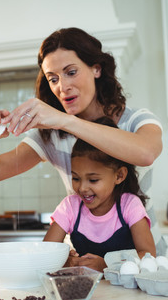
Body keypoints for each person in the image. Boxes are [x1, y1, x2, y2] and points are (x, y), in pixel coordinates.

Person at [0, 27, 166, 254]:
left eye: (71, 72)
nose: (62, 87)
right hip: (85, 264)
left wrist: (66, 121)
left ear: (96, 69)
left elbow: (146, 153)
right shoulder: (52, 133)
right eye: (53, 79)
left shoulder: (136, 120)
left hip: (144, 261)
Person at [44, 117, 156, 272]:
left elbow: (148, 255)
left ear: (119, 176)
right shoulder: (70, 207)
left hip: (126, 293)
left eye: (93, 180)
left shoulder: (130, 205)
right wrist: (66, 260)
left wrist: (107, 266)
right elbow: (46, 254)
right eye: (76, 178)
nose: (82, 188)